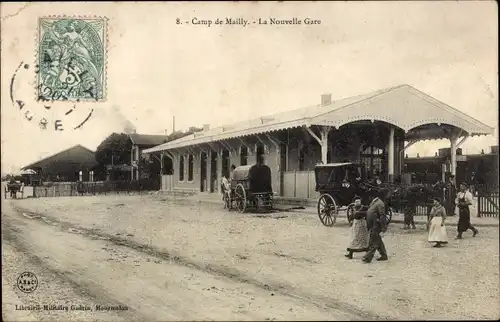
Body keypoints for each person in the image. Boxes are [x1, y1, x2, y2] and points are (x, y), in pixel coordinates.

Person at [362, 189, 389, 263]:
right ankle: (384, 255)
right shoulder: (376, 202)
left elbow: (382, 216)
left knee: (374, 241)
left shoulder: (380, 203)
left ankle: (367, 258)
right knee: (378, 240)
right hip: (373, 224)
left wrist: (383, 227)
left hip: (376, 225)